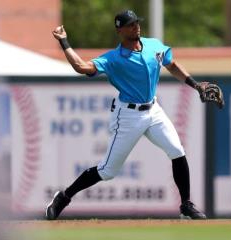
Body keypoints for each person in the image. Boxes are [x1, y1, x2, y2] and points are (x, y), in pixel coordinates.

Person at [46, 10, 208, 220]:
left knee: (177, 150)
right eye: (130, 25)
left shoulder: (153, 46)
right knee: (107, 171)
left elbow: (172, 65)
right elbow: (81, 67)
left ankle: (186, 205)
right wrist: (64, 42)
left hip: (154, 109)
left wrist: (195, 85)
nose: (136, 27)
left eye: (137, 23)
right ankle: (64, 196)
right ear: (120, 30)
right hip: (128, 116)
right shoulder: (114, 58)